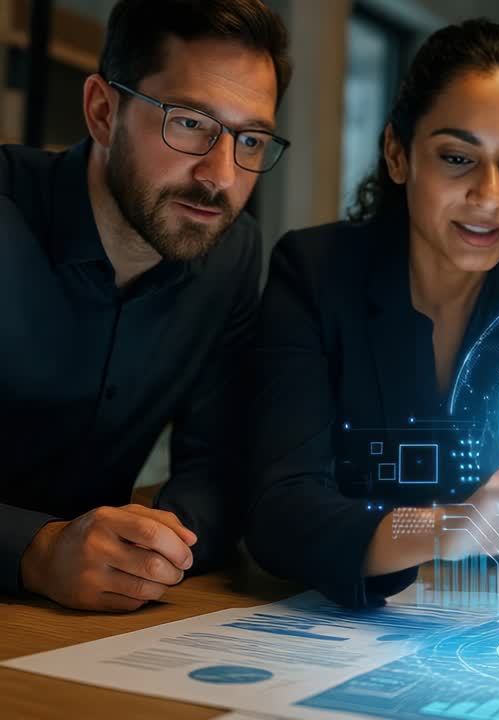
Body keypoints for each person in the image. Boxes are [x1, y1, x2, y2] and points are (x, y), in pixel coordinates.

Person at [244, 19, 499, 608]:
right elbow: (278, 512)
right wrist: (447, 528)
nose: (489, 197)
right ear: (398, 155)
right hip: (344, 626)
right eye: (457, 157)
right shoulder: (316, 272)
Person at [0, 0, 290, 612]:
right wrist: (36, 548)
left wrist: (152, 546)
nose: (220, 174)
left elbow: (216, 471)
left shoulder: (231, 254)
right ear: (103, 112)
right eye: (189, 123)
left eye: (251, 139)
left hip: (83, 628)